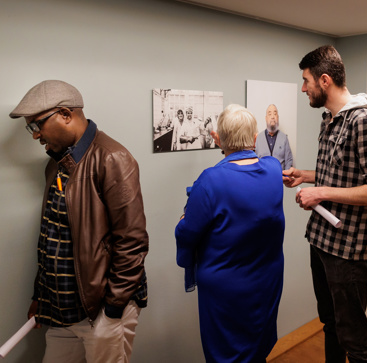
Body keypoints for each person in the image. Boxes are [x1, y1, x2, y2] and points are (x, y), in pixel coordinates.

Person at [9, 80, 149, 362]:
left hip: (101, 310)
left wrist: (112, 309)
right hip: (62, 308)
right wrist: (41, 296)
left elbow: (132, 242)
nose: (35, 136)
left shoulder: (113, 158)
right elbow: (52, 235)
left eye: (37, 125)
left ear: (65, 114)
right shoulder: (56, 163)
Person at [283, 45, 367, 363]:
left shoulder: (364, 122)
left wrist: (320, 193)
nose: (303, 88)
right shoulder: (329, 120)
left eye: (306, 81)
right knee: (330, 325)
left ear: (325, 80)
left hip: (348, 250)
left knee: (354, 338)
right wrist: (306, 176)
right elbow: (341, 173)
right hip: (321, 241)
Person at [175, 104, 285, 363]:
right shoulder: (272, 169)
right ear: (256, 138)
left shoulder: (210, 180)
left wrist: (182, 219)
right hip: (266, 281)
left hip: (227, 290)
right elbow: (245, 163)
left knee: (227, 353)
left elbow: (188, 233)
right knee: (256, 347)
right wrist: (227, 145)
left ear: (221, 139)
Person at [255, 104, 294, 170]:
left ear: (278, 117)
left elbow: (289, 161)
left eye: (275, 114)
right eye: (269, 114)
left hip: (280, 178)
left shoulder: (284, 138)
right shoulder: (258, 138)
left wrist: (286, 177)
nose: (272, 117)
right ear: (266, 118)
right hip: (263, 179)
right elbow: (255, 161)